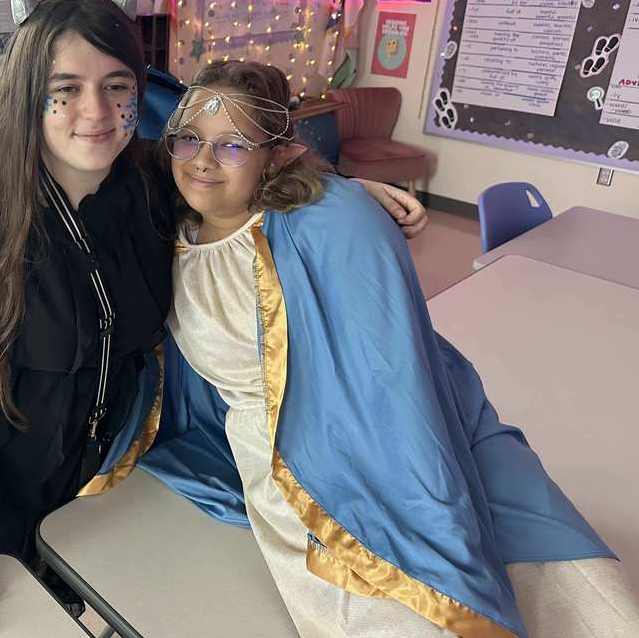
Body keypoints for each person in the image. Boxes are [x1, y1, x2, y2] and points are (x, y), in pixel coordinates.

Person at [0, 0, 429, 638]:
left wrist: (336, 189)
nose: (97, 111)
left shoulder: (145, 183)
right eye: (66, 88)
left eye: (117, 85)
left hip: (111, 478)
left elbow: (235, 177)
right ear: (29, 92)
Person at [141, 60, 639, 637]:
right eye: (191, 139)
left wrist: (343, 194)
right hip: (279, 457)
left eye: (233, 144)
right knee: (386, 609)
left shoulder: (322, 223)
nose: (203, 159)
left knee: (538, 563)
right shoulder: (163, 230)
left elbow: (389, 363)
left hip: (367, 431)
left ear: (277, 154)